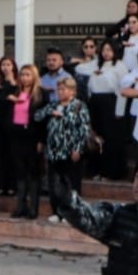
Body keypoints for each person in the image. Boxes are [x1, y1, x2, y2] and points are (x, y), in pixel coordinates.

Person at [35, 75, 90, 223]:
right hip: (53, 151)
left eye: (63, 89)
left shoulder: (79, 106)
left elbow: (83, 130)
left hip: (70, 151)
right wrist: (49, 112)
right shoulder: (54, 105)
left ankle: (71, 214)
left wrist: (77, 149)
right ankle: (57, 212)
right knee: (54, 184)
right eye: (59, 89)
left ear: (72, 91)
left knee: (71, 184)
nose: (60, 92)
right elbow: (37, 116)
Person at [85, 42, 129, 182]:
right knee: (97, 137)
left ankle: (111, 172)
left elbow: (123, 88)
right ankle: (97, 169)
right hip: (95, 103)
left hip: (111, 103)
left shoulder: (120, 66)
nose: (106, 53)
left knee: (110, 139)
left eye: (109, 49)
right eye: (104, 50)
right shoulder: (96, 65)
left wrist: (120, 110)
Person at [7, 64, 46, 218]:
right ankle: (20, 206)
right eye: (22, 75)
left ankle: (33, 208)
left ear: (34, 76)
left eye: (28, 75)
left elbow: (43, 118)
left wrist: (41, 140)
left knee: (33, 173)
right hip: (17, 136)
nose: (24, 78)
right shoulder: (16, 92)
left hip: (33, 136)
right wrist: (9, 98)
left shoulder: (40, 94)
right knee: (20, 173)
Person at [0, 58, 20, 196]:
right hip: (0, 121)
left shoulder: (18, 82)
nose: (5, 67)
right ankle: (3, 185)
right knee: (2, 154)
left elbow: (20, 99)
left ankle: (13, 185)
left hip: (13, 121)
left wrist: (5, 95)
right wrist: (6, 97)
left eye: (8, 64)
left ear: (13, 66)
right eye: (3, 65)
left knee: (13, 153)